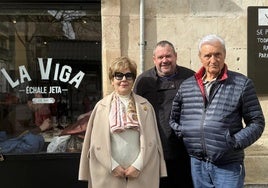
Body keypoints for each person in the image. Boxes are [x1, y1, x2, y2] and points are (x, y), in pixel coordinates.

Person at [169, 34, 265, 188]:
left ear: (224, 55)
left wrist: (233, 142)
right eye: (208, 55)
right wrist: (186, 134)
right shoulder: (187, 86)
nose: (213, 60)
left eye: (217, 54)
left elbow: (257, 122)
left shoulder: (241, 84)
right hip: (198, 163)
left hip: (228, 165)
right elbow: (173, 118)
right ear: (200, 57)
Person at [79, 56, 167, 188]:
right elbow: (96, 143)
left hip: (141, 172)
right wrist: (112, 166)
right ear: (112, 80)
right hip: (108, 172)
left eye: (128, 75)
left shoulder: (145, 106)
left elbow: (152, 141)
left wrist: (137, 166)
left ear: (133, 79)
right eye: (118, 75)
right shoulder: (101, 107)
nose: (124, 79)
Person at [133, 40, 195, 188]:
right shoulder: (143, 81)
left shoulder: (191, 78)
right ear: (154, 59)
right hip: (153, 150)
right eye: (160, 57)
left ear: (176, 56)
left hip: (184, 150)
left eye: (168, 56)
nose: (164, 60)